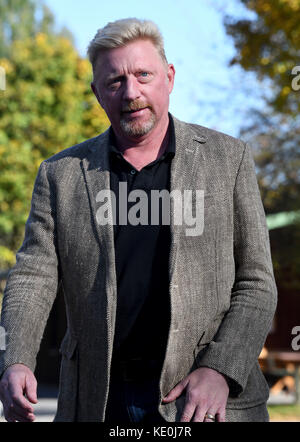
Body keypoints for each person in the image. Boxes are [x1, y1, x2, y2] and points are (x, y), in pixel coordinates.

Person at [0, 18, 277, 423]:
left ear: (169, 77)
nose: (131, 92)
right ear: (97, 93)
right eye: (114, 82)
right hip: (98, 401)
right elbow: (32, 277)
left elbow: (257, 283)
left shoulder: (228, 159)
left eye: (143, 75)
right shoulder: (60, 174)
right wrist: (17, 359)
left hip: (204, 400)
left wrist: (219, 369)